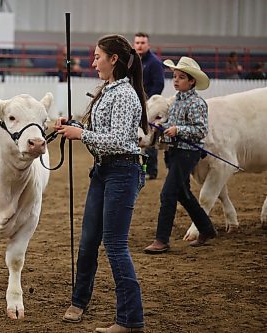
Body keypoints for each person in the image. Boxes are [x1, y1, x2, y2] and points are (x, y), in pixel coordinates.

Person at [57, 34, 147, 333]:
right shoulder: (107, 90)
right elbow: (104, 131)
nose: (94, 62)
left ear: (114, 59)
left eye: (98, 57)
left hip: (121, 172)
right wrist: (73, 126)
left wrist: (80, 135)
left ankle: (130, 320)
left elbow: (121, 141)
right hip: (104, 171)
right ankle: (79, 301)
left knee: (115, 245)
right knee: (88, 243)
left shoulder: (123, 94)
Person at [144, 56, 218, 255]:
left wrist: (178, 130)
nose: (176, 80)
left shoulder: (197, 103)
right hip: (174, 152)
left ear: (192, 81)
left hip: (188, 153)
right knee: (183, 194)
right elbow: (175, 126)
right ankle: (206, 229)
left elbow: (201, 130)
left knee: (168, 193)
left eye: (181, 77)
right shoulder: (176, 101)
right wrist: (164, 127)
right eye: (175, 76)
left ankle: (162, 239)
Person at [133, 32, 164, 180]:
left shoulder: (154, 63)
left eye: (142, 43)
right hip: (135, 105)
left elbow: (159, 84)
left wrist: (147, 102)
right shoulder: (132, 61)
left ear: (148, 45)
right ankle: (138, 167)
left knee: (148, 137)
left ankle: (151, 170)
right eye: (137, 42)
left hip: (148, 107)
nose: (139, 45)